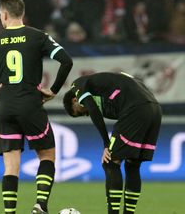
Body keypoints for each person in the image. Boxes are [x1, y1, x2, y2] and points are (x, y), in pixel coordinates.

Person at [0, 0, 73, 214]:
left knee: (11, 166)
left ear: (3, 15)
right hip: (31, 105)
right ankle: (40, 204)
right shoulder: (38, 37)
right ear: (22, 13)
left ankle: (10, 212)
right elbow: (66, 61)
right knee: (47, 155)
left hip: (5, 108)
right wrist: (54, 90)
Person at [62, 72, 162, 214]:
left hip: (136, 109)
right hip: (155, 109)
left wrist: (106, 144)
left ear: (74, 100)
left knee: (110, 162)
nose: (86, 114)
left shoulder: (77, 85)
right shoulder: (108, 89)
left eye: (80, 112)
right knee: (132, 164)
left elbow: (92, 109)